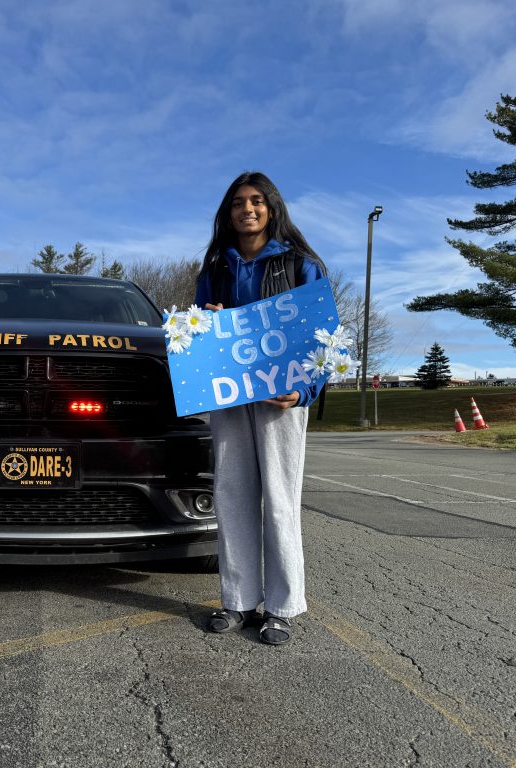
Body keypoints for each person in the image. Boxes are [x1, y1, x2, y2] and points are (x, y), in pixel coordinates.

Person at [194, 171, 327, 646]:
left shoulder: (300, 264)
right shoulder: (216, 268)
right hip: (230, 399)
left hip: (280, 401)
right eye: (237, 203)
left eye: (255, 201)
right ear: (228, 213)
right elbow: (197, 336)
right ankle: (237, 601)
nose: (246, 209)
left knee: (280, 500)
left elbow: (321, 340)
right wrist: (203, 327)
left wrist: (304, 390)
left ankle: (282, 606)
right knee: (232, 497)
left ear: (271, 208)